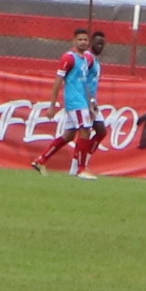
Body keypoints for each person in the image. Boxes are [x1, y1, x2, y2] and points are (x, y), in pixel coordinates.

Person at [30, 28, 97, 177]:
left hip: (82, 101)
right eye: (80, 39)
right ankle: (81, 169)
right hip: (75, 102)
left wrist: (91, 102)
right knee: (85, 130)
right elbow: (58, 82)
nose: (83, 42)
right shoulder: (69, 58)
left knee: (69, 135)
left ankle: (41, 160)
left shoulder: (86, 59)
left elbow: (85, 83)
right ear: (74, 41)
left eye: (85, 40)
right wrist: (52, 105)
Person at [83, 31, 108, 178]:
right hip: (84, 101)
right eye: (98, 42)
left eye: (102, 43)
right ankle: (79, 167)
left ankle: (82, 165)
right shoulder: (88, 58)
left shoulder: (95, 60)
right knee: (81, 134)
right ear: (91, 42)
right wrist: (91, 101)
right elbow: (82, 80)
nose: (100, 46)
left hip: (91, 101)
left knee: (101, 131)